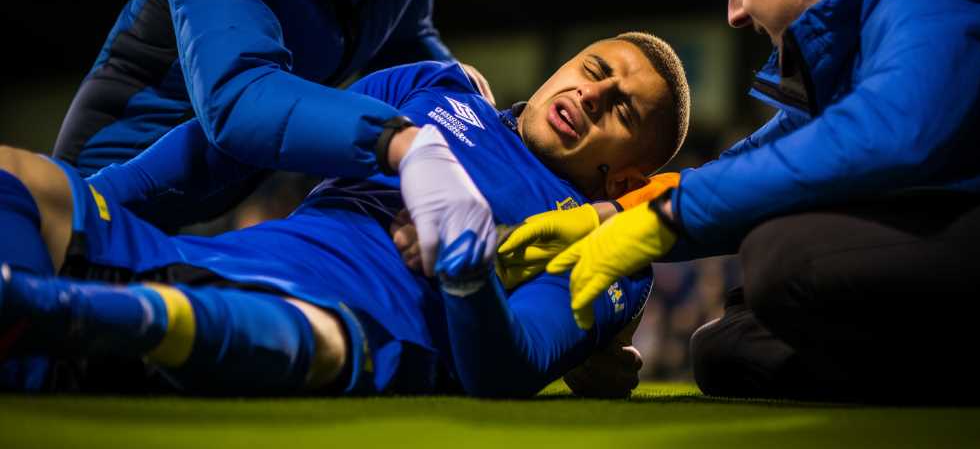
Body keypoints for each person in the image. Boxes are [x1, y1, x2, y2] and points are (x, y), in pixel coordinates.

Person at [500, 0, 980, 402]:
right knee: (727, 349)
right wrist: (606, 217)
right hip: (972, 239)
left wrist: (662, 221)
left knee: (786, 260)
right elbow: (749, 167)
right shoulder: (848, 51)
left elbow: (892, 130)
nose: (735, 12)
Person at [0, 32, 690, 397]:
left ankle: (44, 315)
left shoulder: (609, 241)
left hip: (350, 322)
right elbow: (245, 143)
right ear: (562, 65)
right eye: (594, 66)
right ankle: (50, 337)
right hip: (221, 258)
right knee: (22, 174)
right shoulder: (434, 85)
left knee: (315, 339)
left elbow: (507, 370)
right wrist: (96, 195)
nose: (594, 93)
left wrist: (464, 265)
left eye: (622, 106)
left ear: (629, 173)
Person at [52, 0, 482, 231]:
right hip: (118, 174)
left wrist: (460, 98)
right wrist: (394, 139)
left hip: (227, 185)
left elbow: (404, 41)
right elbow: (240, 97)